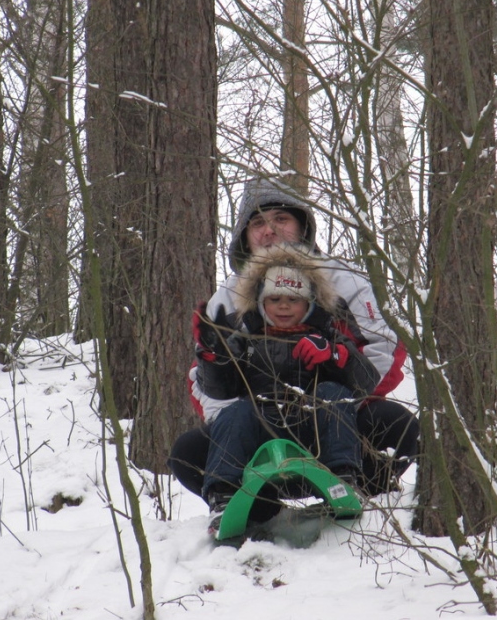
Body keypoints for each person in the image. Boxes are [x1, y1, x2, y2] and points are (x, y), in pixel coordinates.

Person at [168, 177, 419, 503]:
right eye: (257, 223)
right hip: (257, 431)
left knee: (396, 425)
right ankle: (250, 506)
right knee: (187, 452)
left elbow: (385, 350)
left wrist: (339, 392)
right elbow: (203, 386)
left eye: (280, 219)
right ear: (245, 237)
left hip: (338, 422)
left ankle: (356, 492)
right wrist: (237, 414)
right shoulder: (227, 300)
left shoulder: (346, 281)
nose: (268, 230)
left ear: (302, 226)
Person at [195, 244, 379, 524]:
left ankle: (343, 478)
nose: (283, 305)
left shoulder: (327, 333)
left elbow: (366, 382)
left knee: (333, 395)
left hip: (312, 429)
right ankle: (223, 495)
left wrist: (334, 353)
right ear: (260, 302)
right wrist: (212, 354)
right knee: (235, 412)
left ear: (309, 303)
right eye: (275, 298)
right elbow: (219, 388)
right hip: (261, 425)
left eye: (293, 299)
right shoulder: (246, 339)